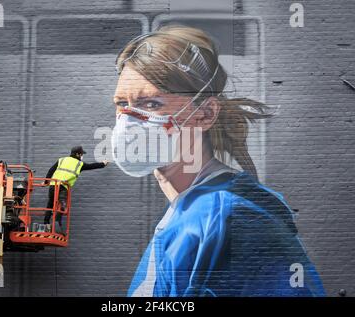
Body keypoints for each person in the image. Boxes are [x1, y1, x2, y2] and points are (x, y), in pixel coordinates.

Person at [112, 25, 326, 296]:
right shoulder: (199, 207)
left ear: (205, 114)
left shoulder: (219, 215)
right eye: (122, 104)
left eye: (152, 104)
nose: (129, 121)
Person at [44, 146, 108, 234]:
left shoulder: (62, 160)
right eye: (81, 154)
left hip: (53, 185)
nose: (82, 156)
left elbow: (51, 170)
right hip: (63, 187)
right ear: (77, 154)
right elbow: (91, 166)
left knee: (50, 204)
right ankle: (56, 223)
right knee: (63, 206)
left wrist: (46, 182)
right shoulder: (79, 164)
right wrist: (103, 164)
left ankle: (46, 224)